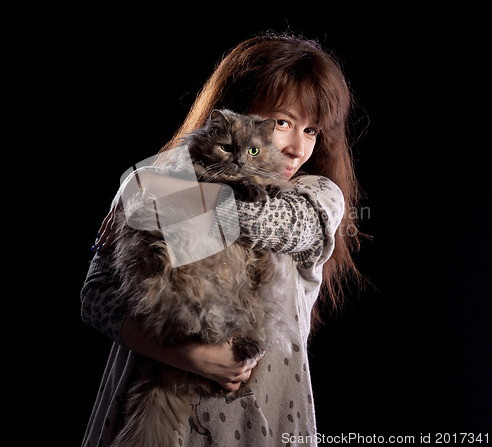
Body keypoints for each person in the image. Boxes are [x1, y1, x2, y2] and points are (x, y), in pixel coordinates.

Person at [81, 32, 362, 447]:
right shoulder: (154, 180)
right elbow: (94, 297)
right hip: (142, 405)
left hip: (253, 423)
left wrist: (149, 192)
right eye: (283, 122)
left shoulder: (316, 195)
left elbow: (276, 224)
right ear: (235, 113)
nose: (297, 148)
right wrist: (186, 357)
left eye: (313, 130)